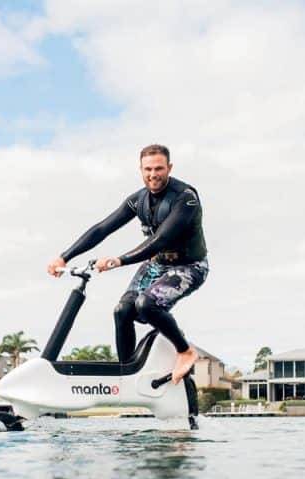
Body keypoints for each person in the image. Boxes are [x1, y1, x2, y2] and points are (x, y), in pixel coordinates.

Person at [46, 144, 208, 384]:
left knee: (147, 305)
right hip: (157, 265)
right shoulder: (138, 200)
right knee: (122, 311)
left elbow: (159, 240)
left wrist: (118, 260)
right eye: (148, 169)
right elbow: (103, 228)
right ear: (141, 170)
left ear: (169, 168)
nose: (153, 174)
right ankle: (127, 375)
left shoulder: (185, 199)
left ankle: (185, 351)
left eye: (159, 169)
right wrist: (65, 256)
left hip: (189, 267)